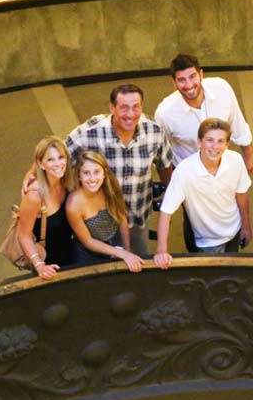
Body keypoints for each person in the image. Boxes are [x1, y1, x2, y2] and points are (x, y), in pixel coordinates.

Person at [24, 84, 173, 258]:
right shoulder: (91, 131)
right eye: (124, 107)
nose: (130, 114)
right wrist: (32, 173)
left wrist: (169, 194)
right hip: (97, 218)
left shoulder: (154, 131)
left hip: (136, 213)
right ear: (112, 108)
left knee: (137, 257)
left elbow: (165, 164)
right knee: (98, 263)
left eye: (136, 107)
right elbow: (58, 151)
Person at [154, 54, 253, 252]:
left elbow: (237, 119)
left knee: (228, 201)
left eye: (192, 76)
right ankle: (196, 252)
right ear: (173, 83)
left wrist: (248, 153)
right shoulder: (165, 113)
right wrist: (170, 184)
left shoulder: (222, 89)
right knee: (194, 216)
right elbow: (162, 153)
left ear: (201, 74)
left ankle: (230, 240)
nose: (189, 84)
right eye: (181, 80)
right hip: (190, 173)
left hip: (221, 162)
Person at [154, 118, 252, 269]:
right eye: (210, 140)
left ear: (227, 144)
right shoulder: (184, 171)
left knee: (231, 278)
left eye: (221, 141)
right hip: (206, 241)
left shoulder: (236, 160)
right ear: (199, 142)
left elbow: (241, 195)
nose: (215, 146)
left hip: (234, 231)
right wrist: (161, 250)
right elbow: (166, 212)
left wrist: (246, 226)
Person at [65, 151, 143, 272]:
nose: (92, 178)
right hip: (86, 253)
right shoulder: (73, 204)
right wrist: (121, 253)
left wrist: (127, 249)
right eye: (86, 173)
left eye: (97, 172)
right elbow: (88, 241)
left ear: (104, 173)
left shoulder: (111, 188)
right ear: (79, 175)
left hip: (113, 243)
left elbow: (122, 217)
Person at [17, 136, 74, 280]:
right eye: (50, 159)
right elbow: (23, 235)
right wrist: (39, 265)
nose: (57, 163)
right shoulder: (35, 195)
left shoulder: (66, 183)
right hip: (50, 267)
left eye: (61, 157)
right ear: (41, 164)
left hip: (73, 256)